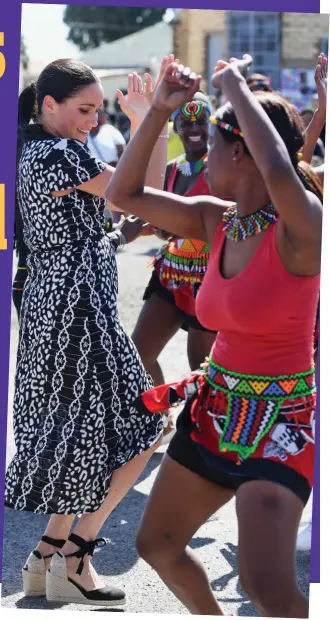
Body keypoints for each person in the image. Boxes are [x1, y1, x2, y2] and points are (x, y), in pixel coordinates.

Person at [106, 56, 322, 618]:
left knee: (266, 587)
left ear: (240, 151)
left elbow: (280, 168)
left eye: (218, 147)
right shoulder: (213, 218)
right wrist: (156, 111)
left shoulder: (303, 231)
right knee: (155, 545)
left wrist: (231, 85)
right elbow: (124, 196)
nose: (202, 162)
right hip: (213, 412)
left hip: (281, 426)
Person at [5, 55, 174, 607]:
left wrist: (151, 123)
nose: (92, 120)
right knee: (146, 424)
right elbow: (146, 196)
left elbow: (138, 196)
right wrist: (151, 121)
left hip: (63, 308)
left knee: (86, 436)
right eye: (83, 109)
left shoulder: (40, 149)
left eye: (99, 111)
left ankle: (48, 557)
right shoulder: (57, 153)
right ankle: (74, 556)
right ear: (46, 104)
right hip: (78, 312)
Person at [131, 92, 218, 440]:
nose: (193, 127)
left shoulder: (223, 168)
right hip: (170, 274)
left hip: (209, 280)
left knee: (202, 367)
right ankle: (163, 417)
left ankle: (204, 433)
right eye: (186, 121)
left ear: (211, 124)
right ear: (177, 125)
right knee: (139, 353)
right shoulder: (171, 169)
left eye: (200, 120)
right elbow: (152, 217)